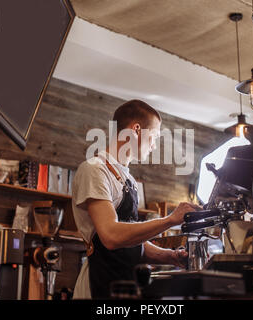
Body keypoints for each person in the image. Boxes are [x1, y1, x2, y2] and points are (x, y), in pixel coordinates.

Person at [71, 99, 200, 299]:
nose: (154, 146)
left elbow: (131, 241)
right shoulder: (95, 169)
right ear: (137, 130)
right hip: (99, 285)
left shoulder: (129, 180)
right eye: (154, 137)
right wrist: (170, 220)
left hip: (125, 285)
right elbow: (111, 236)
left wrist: (171, 257)